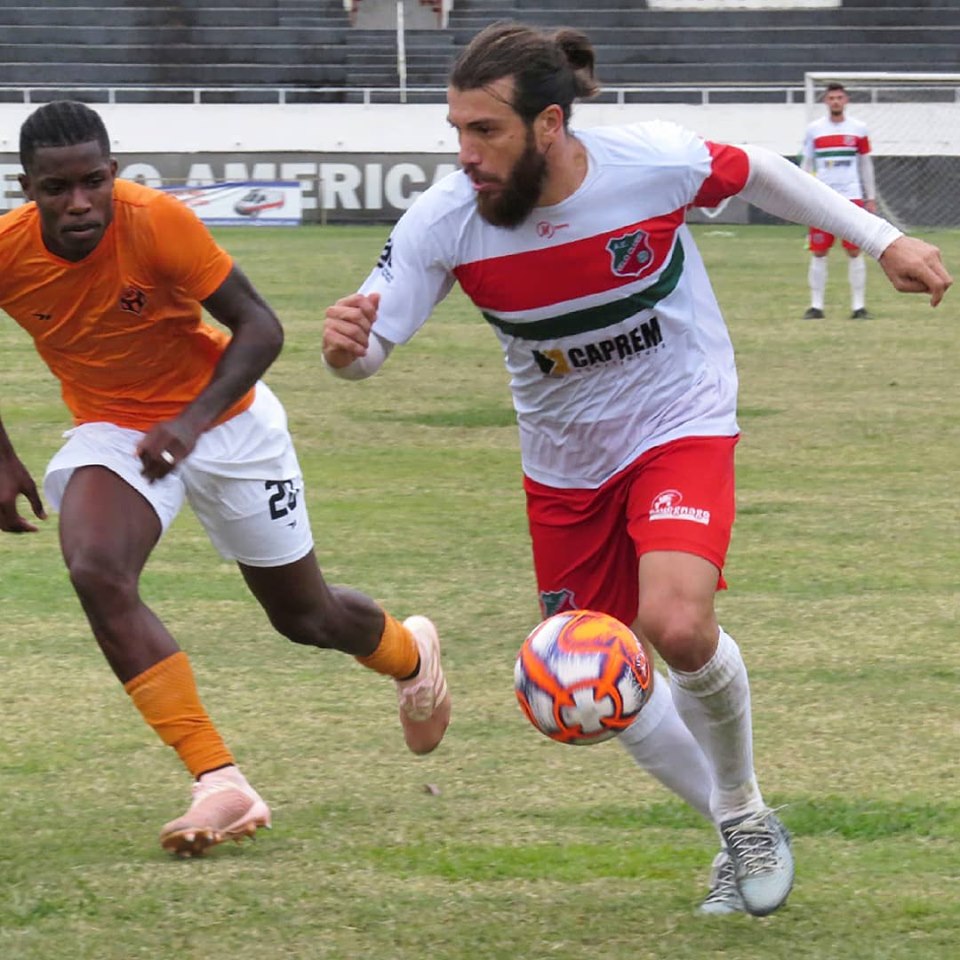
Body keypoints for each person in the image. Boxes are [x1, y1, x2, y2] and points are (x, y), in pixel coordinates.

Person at [321, 22, 952, 917]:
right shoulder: (443, 220)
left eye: (485, 131)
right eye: (456, 131)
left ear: (548, 125)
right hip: (565, 467)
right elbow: (370, 349)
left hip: (679, 421)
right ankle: (744, 825)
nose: (465, 153)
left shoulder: (648, 164)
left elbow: (761, 170)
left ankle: (739, 811)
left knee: (677, 625)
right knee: (594, 686)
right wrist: (347, 347)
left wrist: (884, 239)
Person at [0, 100, 451, 858]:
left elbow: (261, 326)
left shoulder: (157, 222)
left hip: (231, 422)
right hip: (115, 430)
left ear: (113, 175)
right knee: (95, 568)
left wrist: (191, 419)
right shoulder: (7, 251)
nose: (77, 204)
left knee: (305, 618)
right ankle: (218, 779)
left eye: (92, 183)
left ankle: (411, 654)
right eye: (55, 188)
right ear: (27, 186)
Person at [800, 82, 878, 320]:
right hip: (822, 198)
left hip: (851, 197)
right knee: (819, 251)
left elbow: (865, 164)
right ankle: (816, 306)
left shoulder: (859, 129)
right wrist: (801, 193)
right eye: (831, 98)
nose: (835, 101)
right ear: (826, 101)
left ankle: (858, 306)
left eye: (839, 98)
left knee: (854, 251)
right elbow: (806, 164)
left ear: (846, 101)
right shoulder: (814, 130)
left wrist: (870, 196)